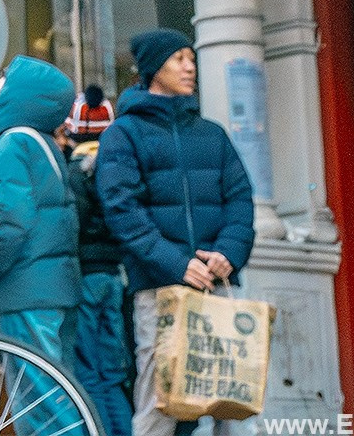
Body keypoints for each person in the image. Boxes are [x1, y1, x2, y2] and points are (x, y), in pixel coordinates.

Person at [97, 30, 256, 436]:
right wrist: (177, 264)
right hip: (159, 289)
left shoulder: (212, 134)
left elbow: (239, 199)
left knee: (233, 403)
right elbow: (122, 210)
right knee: (159, 403)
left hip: (218, 286)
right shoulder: (123, 134)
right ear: (154, 69)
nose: (190, 67)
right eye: (179, 59)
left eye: (191, 58)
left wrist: (228, 254)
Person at [0, 58, 81, 435]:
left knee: (41, 405)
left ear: (21, 95)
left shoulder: (11, 143)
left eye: (0, 84)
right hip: (52, 285)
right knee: (57, 395)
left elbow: (10, 220)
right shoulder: (43, 144)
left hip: (23, 290)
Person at [67, 104, 134, 436]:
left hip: (87, 276)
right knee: (112, 374)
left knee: (89, 373)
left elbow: (72, 225)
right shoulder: (119, 166)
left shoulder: (74, 172)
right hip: (115, 276)